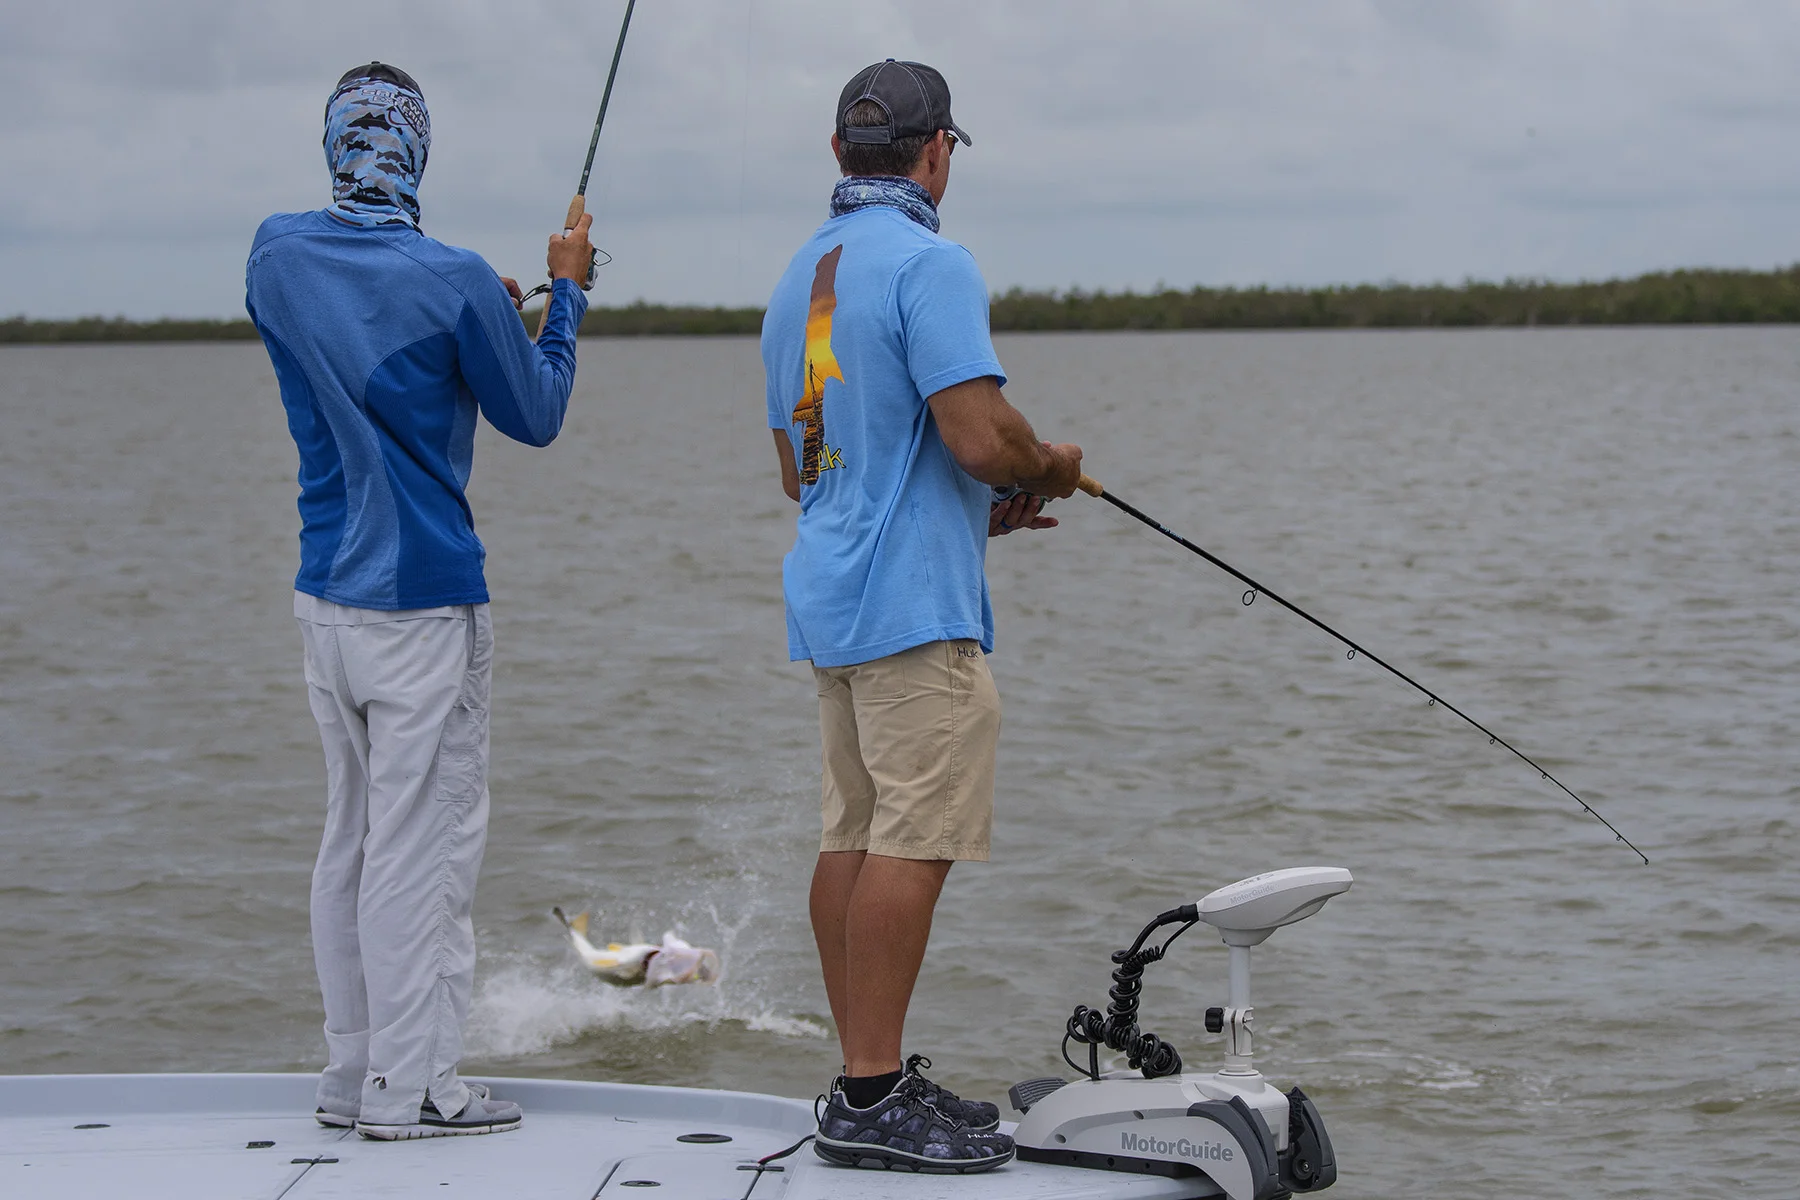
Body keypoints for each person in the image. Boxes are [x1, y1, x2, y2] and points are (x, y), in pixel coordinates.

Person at [245, 62, 595, 1141]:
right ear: (420, 153)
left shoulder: (273, 254)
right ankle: (418, 1089)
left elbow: (370, 309)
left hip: (325, 605)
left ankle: (352, 1072)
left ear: (334, 146)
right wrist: (565, 294)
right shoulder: (454, 281)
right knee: (425, 849)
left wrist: (474, 305)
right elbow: (536, 412)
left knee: (352, 839)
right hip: (423, 606)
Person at [761, 59, 1084, 1173]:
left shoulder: (804, 275)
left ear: (839, 152)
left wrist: (976, 512)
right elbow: (982, 436)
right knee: (914, 841)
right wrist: (1049, 465)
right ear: (937, 152)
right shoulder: (930, 261)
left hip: (833, 598)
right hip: (909, 611)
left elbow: (806, 469)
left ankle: (869, 1079)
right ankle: (868, 1091)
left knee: (851, 836)